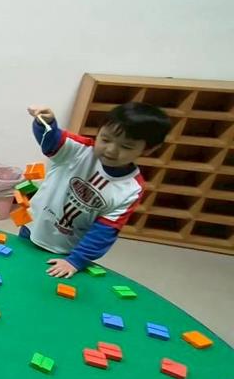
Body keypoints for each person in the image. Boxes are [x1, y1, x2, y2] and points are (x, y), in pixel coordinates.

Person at [26, 101, 171, 278]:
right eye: (105, 139)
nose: (111, 150)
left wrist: (75, 261)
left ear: (149, 149)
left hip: (67, 251)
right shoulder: (78, 150)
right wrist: (45, 123)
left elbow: (104, 231)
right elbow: (50, 140)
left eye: (126, 146)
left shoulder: (131, 189)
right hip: (32, 227)